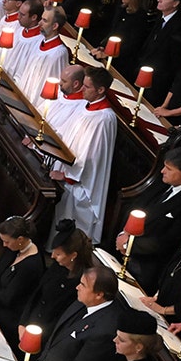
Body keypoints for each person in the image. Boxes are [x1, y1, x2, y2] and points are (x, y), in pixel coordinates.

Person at [114, 147, 181, 289]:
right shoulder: (163, 181)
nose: (163, 171)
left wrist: (129, 245)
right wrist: (124, 234)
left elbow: (169, 240)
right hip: (122, 244)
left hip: (147, 264)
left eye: (169, 168)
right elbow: (137, 206)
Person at [48, 66, 116, 242]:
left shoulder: (104, 118)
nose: (82, 90)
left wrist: (66, 175)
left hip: (81, 181)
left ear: (100, 90)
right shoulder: (87, 107)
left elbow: (92, 155)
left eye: (87, 87)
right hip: (67, 168)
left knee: (74, 228)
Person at [19, 220, 92, 338]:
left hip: (47, 333)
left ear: (73, 255)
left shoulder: (81, 281)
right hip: (31, 322)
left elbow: (63, 316)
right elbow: (37, 293)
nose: (52, 256)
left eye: (58, 254)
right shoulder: (57, 266)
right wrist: (23, 323)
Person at [0, 216, 46, 343]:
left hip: (9, 315)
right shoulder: (15, 249)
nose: (4, 245)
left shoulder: (31, 265)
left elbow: (9, 298)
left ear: (20, 239)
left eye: (7, 241)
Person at [136, 0, 181, 107]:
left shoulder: (180, 27)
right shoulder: (159, 19)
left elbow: (174, 61)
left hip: (157, 84)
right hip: (143, 74)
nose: (158, 0)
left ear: (175, 3)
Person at [89, 0, 150, 81]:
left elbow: (132, 45)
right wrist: (103, 46)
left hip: (121, 64)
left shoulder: (140, 18)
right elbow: (112, 32)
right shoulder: (121, 10)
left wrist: (109, 53)